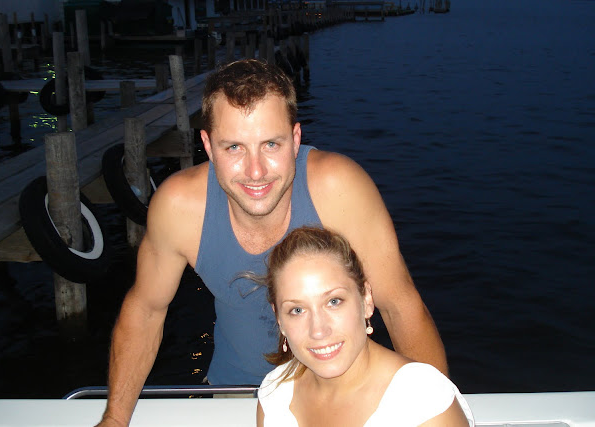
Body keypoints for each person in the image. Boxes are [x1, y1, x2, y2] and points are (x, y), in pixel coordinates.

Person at [97, 59, 448, 426]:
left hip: (345, 395)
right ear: (208, 145)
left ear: (295, 140)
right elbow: (146, 311)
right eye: (234, 147)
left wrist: (434, 413)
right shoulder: (179, 208)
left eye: (270, 144)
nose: (256, 171)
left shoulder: (338, 189)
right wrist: (115, 419)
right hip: (235, 394)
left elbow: (400, 306)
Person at [256, 227, 474, 427]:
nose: (318, 331)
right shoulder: (275, 396)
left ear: (366, 300)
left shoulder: (423, 402)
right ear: (280, 319)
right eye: (297, 310)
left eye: (334, 301)